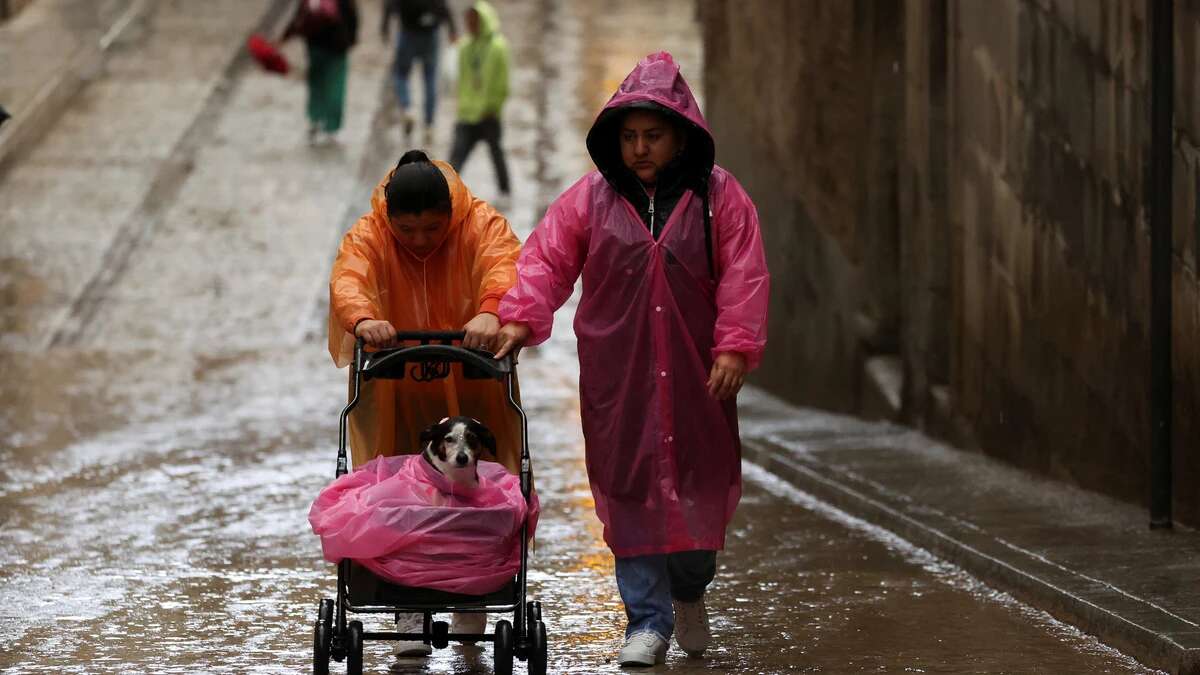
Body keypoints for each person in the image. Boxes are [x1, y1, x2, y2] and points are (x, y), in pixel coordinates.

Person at [493, 52, 769, 666]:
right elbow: (547, 260)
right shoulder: (589, 201)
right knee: (630, 492)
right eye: (629, 137)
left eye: (653, 136)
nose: (640, 149)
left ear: (680, 137)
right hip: (619, 381)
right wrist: (518, 315)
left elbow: (744, 275)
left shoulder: (719, 198)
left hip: (700, 379)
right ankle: (646, 621)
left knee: (698, 488)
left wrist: (735, 346)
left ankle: (689, 590)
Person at [327, 149, 523, 657]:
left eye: (432, 231)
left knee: (477, 490)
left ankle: (474, 590)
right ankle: (404, 600)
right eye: (406, 232)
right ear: (389, 221)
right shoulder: (368, 235)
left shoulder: (480, 223)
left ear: (450, 218)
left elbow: (505, 265)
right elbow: (350, 278)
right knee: (396, 491)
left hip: (473, 381)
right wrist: (364, 318)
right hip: (394, 387)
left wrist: (489, 310)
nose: (419, 242)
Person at [448, 1, 511, 200]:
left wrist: (493, 106)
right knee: (456, 157)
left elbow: (503, 82)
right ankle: (445, 193)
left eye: (474, 21)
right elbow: (461, 78)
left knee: (496, 154)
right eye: (468, 21)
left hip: (488, 114)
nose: (471, 25)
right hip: (467, 113)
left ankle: (505, 191)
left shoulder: (499, 47)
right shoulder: (465, 47)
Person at [381, 0, 457, 144]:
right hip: (430, 34)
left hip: (408, 32)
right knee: (430, 79)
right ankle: (429, 124)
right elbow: (443, 6)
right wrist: (452, 29)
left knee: (401, 74)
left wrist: (384, 26)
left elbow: (390, 5)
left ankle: (407, 107)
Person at [285, 0, 360, 143]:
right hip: (338, 46)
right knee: (336, 85)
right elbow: (352, 15)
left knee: (316, 82)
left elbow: (299, 16)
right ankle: (331, 126)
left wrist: (285, 37)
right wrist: (352, 39)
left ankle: (315, 117)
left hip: (315, 45)